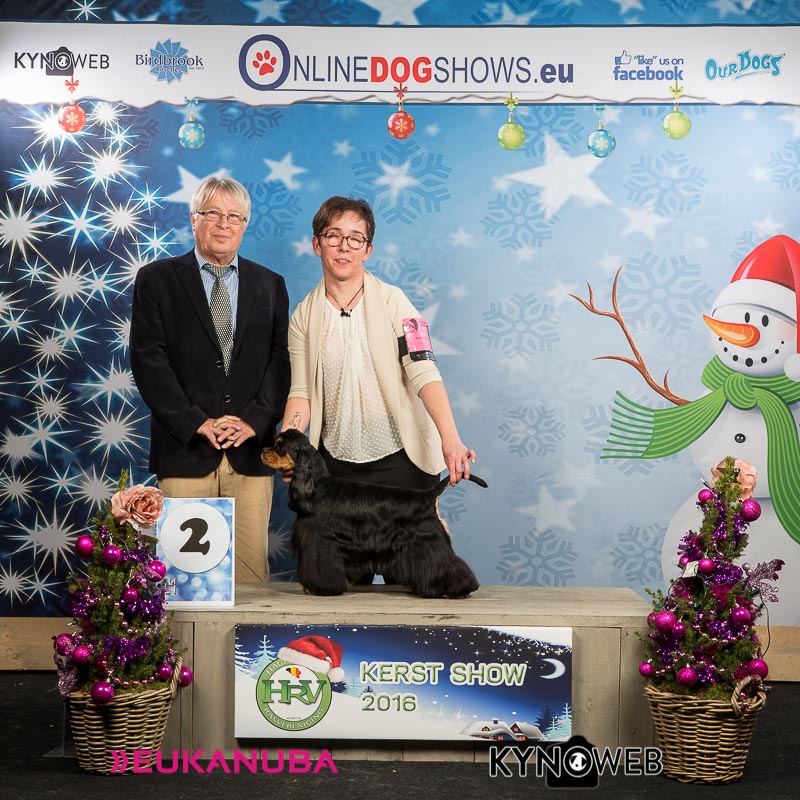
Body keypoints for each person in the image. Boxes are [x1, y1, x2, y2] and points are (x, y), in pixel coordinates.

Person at [130, 176, 290, 582]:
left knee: (250, 581)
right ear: (193, 218)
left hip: (249, 453)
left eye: (234, 216)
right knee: (183, 582)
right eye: (213, 213)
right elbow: (149, 360)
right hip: (185, 450)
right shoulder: (156, 279)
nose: (223, 224)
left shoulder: (271, 284)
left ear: (245, 224)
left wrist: (254, 420)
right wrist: (194, 421)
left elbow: (280, 361)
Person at [281, 195, 475, 496]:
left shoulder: (397, 302)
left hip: (403, 459)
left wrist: (450, 438)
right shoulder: (302, 317)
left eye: (355, 238)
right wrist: (286, 446)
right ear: (317, 245)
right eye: (334, 236)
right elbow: (301, 392)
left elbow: (424, 372)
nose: (344, 246)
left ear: (367, 250)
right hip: (334, 466)